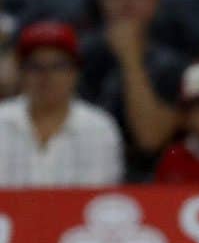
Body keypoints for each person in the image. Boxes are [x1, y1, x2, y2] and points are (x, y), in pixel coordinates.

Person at [78, 0, 188, 181]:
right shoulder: (77, 57)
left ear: (155, 1)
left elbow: (150, 139)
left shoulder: (173, 65)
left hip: (147, 182)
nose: (127, 4)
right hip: (82, 174)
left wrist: (131, 59)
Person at [0, 21, 122, 187]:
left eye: (58, 66)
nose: (47, 76)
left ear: (75, 72)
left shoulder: (99, 128)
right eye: (35, 67)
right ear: (21, 72)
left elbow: (98, 195)